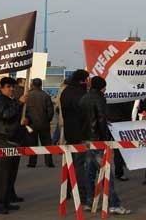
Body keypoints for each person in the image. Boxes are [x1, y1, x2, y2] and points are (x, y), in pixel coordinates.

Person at [79, 76, 131, 215]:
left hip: (86, 139)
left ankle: (89, 202)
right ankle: (114, 204)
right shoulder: (100, 98)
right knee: (107, 173)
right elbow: (101, 119)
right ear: (101, 87)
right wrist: (105, 138)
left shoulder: (84, 98)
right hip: (98, 140)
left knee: (89, 172)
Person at [0, 77, 27, 215]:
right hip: (2, 140)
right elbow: (6, 115)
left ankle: (6, 201)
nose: (11, 88)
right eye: (8, 86)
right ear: (2, 88)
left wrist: (23, 120)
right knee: (2, 174)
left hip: (12, 140)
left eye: (12, 86)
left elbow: (13, 117)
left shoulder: (9, 100)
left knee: (10, 174)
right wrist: (19, 103)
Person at [60, 69, 89, 203]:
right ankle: (81, 194)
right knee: (79, 165)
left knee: (70, 163)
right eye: (86, 79)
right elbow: (83, 111)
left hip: (69, 131)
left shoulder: (66, 91)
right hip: (80, 132)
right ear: (82, 80)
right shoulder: (80, 93)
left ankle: (66, 190)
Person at [26, 78, 55, 168]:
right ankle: (49, 162)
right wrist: (47, 120)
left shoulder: (28, 96)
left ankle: (32, 162)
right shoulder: (46, 95)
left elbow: (25, 110)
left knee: (32, 143)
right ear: (41, 85)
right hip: (44, 123)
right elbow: (50, 111)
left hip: (31, 124)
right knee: (47, 143)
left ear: (32, 85)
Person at [106, 101, 134, 181]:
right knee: (119, 150)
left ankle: (105, 173)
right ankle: (119, 172)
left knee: (105, 150)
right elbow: (128, 109)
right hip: (120, 123)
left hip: (109, 122)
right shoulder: (124, 96)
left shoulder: (107, 94)